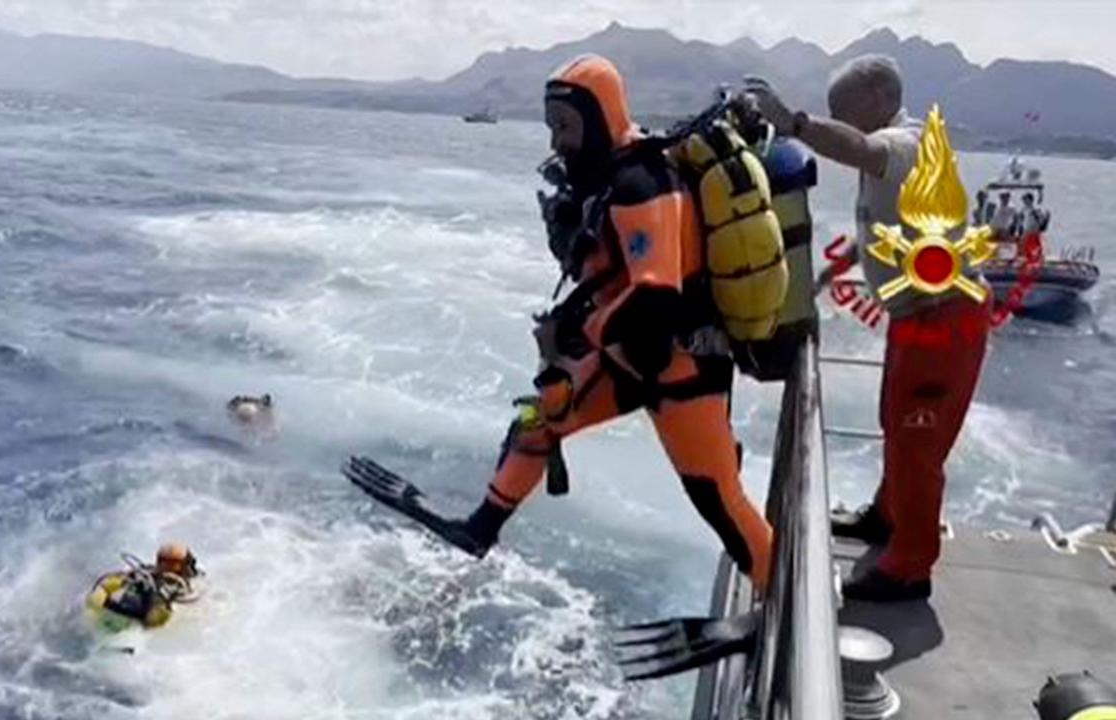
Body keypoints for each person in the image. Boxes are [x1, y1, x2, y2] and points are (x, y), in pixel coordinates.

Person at [345, 54, 773, 594]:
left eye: (566, 128)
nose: (556, 142)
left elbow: (656, 298)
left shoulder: (644, 183)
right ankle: (480, 529)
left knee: (717, 498)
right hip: (635, 357)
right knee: (537, 418)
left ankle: (777, 593)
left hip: (681, 364)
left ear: (601, 118)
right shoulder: (611, 176)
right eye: (552, 127)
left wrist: (576, 335)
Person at [745, 54, 990, 602]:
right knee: (897, 423)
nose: (841, 120)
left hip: (944, 318)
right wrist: (831, 270)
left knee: (917, 439)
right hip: (918, 317)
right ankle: (886, 518)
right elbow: (886, 226)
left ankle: (909, 567)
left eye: (843, 110)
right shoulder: (898, 158)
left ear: (879, 97)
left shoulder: (903, 145)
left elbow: (860, 149)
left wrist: (797, 125)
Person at [86, 543, 202, 630]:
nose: (189, 568)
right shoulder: (173, 587)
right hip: (130, 619)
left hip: (111, 613)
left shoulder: (142, 573)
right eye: (186, 563)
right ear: (178, 566)